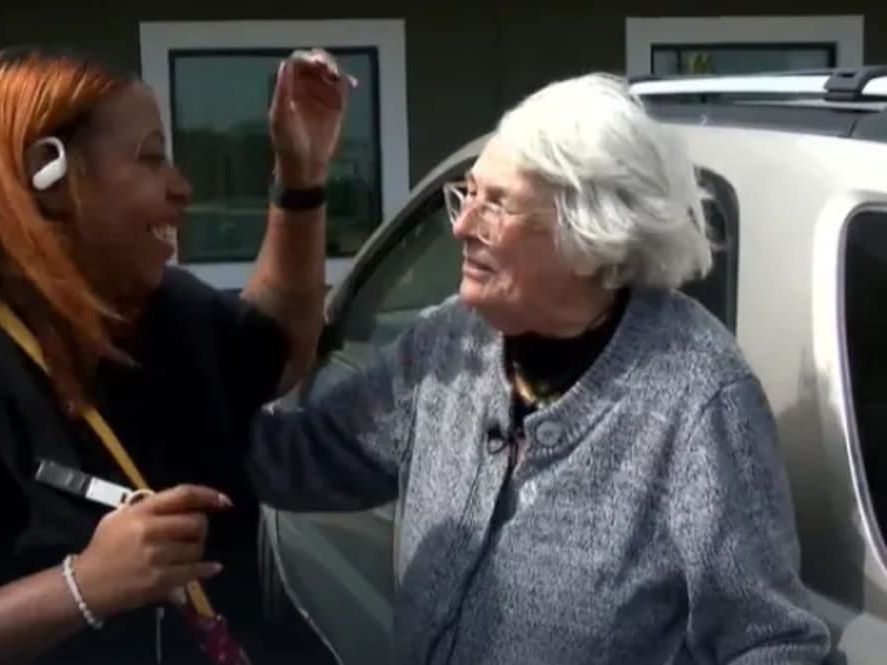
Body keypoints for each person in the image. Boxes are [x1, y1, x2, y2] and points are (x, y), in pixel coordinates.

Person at [247, 73, 833, 664]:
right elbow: (302, 459)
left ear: (591, 231)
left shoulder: (695, 393)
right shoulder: (452, 341)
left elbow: (774, 645)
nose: (460, 226)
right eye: (466, 194)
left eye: (495, 205)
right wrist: (167, 361)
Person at [0, 44, 348, 665]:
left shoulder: (175, 313)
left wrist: (300, 179)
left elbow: (280, 341)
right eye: (151, 159)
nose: (182, 188)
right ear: (48, 175)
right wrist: (80, 589)